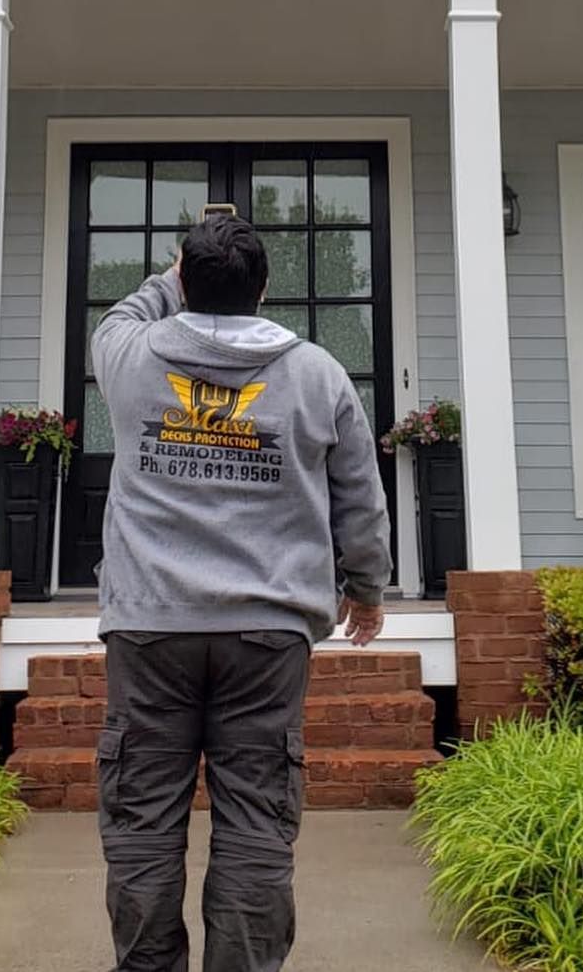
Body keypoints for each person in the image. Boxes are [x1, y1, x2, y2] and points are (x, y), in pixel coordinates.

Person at [89, 210, 392, 972]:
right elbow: (360, 492)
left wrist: (175, 269)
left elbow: (130, 307)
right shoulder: (318, 372)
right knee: (257, 819)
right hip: (270, 631)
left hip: (149, 626)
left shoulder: (129, 354)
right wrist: (367, 588)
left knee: (142, 821)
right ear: (264, 288)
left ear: (184, 281)